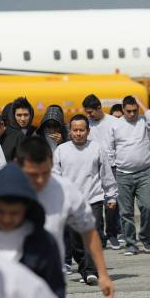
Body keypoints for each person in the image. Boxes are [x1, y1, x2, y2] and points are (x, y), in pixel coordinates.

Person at [16, 136, 114, 298]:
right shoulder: (6, 194)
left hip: (53, 281)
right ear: (19, 165)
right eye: (33, 174)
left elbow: (89, 231)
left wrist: (103, 274)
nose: (40, 180)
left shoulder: (65, 190)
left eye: (45, 173)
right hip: (17, 282)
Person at [0, 163, 66, 298]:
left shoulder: (43, 243)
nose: (7, 219)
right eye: (0, 212)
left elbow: (56, 292)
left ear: (27, 209)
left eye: (14, 213)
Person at [54, 114, 118, 284]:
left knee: (93, 233)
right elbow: (55, 176)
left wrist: (111, 195)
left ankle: (90, 271)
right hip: (70, 203)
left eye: (82, 130)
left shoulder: (97, 148)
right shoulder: (61, 150)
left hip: (93, 199)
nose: (78, 133)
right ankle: (84, 268)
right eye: (75, 130)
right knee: (75, 241)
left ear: (88, 131)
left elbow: (106, 174)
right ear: (70, 131)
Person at [108, 95, 150, 255]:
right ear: (123, 109)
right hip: (123, 174)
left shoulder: (144, 120)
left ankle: (145, 236)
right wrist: (111, 173)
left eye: (134, 111)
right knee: (126, 212)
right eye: (128, 111)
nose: (132, 114)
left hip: (144, 173)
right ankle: (131, 243)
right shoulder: (115, 125)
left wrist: (142, 105)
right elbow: (110, 150)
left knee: (148, 206)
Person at [83, 94, 123, 250]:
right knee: (96, 204)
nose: (89, 115)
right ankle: (100, 237)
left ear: (99, 108)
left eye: (90, 112)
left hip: (112, 167)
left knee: (111, 204)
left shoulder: (114, 123)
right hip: (93, 169)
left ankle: (112, 233)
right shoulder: (87, 125)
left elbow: (121, 144)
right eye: (87, 112)